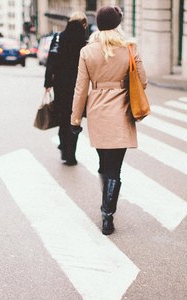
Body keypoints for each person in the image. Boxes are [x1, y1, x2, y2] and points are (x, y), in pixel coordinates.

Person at [70, 6, 147, 235]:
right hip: (122, 112)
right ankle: (107, 213)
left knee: (104, 164)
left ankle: (106, 206)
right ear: (117, 24)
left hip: (98, 113)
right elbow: (142, 81)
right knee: (116, 167)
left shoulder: (87, 51)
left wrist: (75, 119)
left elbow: (80, 88)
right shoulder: (129, 48)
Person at [44, 11, 88, 166]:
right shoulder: (84, 42)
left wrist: (47, 82)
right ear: (83, 24)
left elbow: (52, 61)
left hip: (60, 85)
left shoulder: (58, 38)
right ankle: (71, 155)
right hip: (78, 86)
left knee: (63, 117)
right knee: (75, 119)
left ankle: (63, 147)